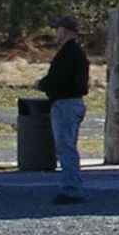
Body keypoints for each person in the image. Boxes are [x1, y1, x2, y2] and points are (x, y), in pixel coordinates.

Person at [38, 14, 90, 204]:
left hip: (66, 104)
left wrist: (42, 84)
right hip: (69, 103)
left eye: (57, 29)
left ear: (65, 30)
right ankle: (72, 187)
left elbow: (59, 79)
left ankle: (72, 190)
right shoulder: (74, 53)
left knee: (66, 147)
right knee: (67, 146)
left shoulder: (69, 54)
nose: (55, 32)